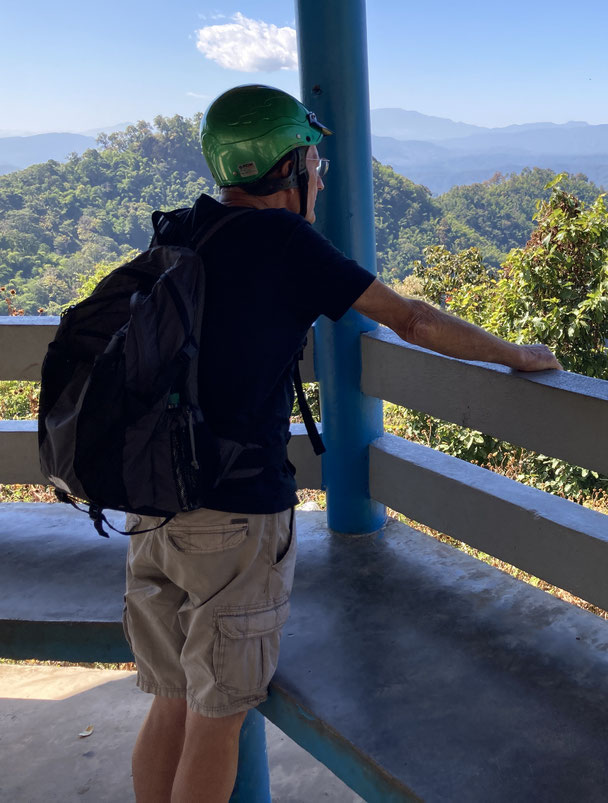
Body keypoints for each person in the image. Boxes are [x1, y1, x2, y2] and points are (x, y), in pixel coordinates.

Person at [122, 84, 561, 803]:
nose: (320, 175)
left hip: (153, 504)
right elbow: (411, 321)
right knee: (217, 715)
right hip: (235, 518)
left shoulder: (180, 230)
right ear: (287, 166)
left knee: (170, 697)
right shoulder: (288, 243)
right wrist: (514, 353)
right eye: (315, 161)